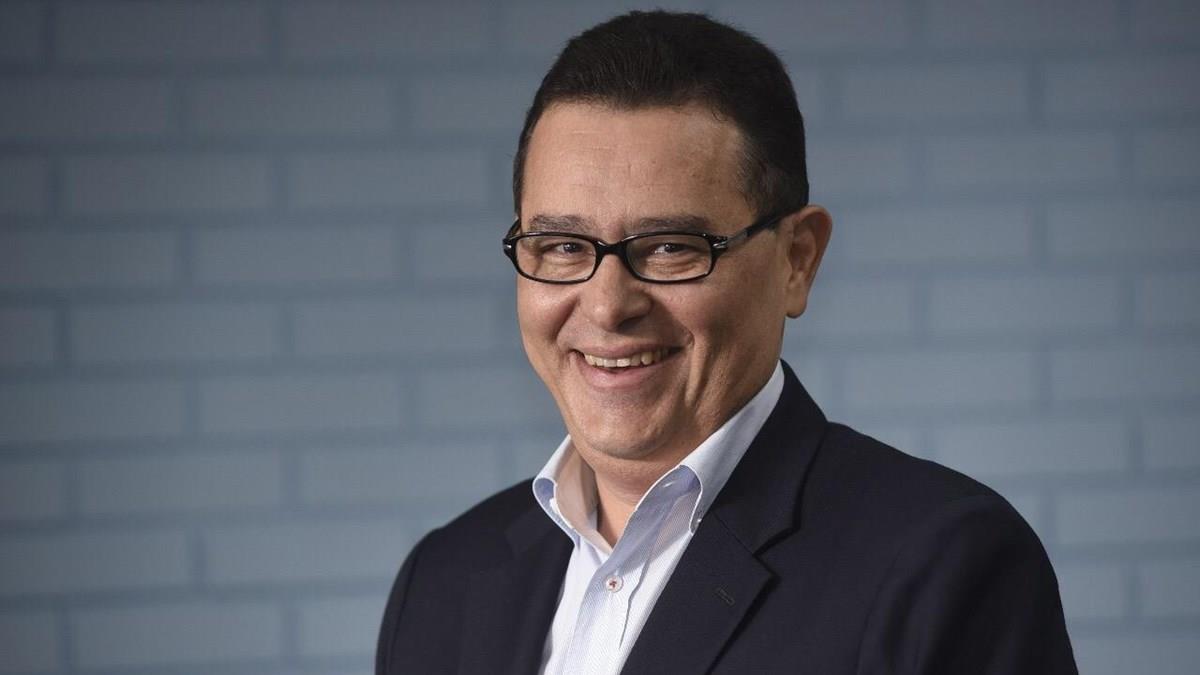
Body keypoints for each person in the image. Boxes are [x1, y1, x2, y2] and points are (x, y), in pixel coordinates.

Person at [376, 11, 1078, 674]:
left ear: (796, 260)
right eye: (562, 245)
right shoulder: (443, 583)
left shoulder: (943, 569)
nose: (608, 305)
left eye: (671, 247)